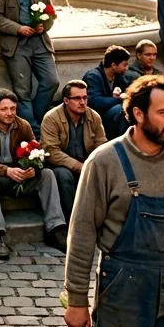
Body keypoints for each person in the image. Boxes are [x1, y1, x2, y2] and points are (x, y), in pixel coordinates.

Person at [61, 75, 164, 327]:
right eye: (163, 113)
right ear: (138, 114)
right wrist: (76, 300)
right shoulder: (104, 161)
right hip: (123, 291)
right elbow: (82, 233)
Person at [0, 89, 67, 256]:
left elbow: (36, 153)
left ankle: (55, 229)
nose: (9, 113)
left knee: (47, 174)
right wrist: (6, 170)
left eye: (13, 109)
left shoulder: (23, 125)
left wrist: (32, 168)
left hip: (20, 178)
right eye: (4, 109)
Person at [0, 0, 57, 126]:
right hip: (16, 45)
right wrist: (18, 28)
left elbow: (51, 14)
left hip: (40, 43)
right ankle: (33, 128)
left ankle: (35, 119)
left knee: (51, 81)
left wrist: (43, 26)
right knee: (22, 91)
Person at [41, 79, 107, 222]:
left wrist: (93, 165)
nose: (82, 102)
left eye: (85, 98)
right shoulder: (51, 118)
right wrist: (78, 166)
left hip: (86, 162)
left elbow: (102, 146)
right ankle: (72, 221)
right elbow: (51, 151)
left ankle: (100, 219)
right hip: (61, 165)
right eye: (77, 98)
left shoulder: (94, 116)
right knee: (63, 175)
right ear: (66, 100)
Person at [83, 45, 132, 136]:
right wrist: (120, 99)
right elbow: (94, 101)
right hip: (96, 119)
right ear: (113, 65)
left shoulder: (119, 77)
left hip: (112, 117)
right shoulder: (93, 77)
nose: (127, 68)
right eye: (124, 65)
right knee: (121, 109)